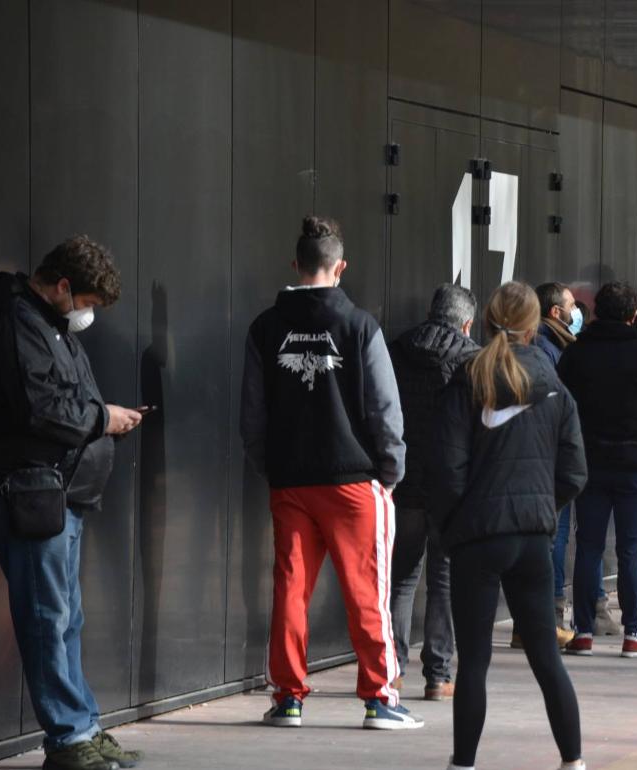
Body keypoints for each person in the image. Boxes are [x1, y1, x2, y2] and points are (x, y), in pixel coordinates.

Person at [240, 217, 420, 729]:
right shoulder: (360, 325)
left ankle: (289, 699)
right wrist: (389, 472)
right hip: (353, 482)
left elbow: (252, 417)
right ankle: (379, 700)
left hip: (291, 483)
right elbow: (386, 409)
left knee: (291, 590)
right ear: (340, 267)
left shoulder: (264, 327)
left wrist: (271, 467)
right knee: (368, 591)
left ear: (295, 265)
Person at [0, 237, 146, 770]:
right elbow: (42, 409)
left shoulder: (47, 325)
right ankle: (69, 739)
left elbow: (69, 403)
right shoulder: (17, 322)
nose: (89, 316)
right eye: (90, 304)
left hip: (57, 493)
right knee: (48, 617)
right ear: (64, 286)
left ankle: (82, 727)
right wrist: (104, 418)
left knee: (65, 616)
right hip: (28, 493)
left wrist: (105, 418)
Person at [430, 282, 587, 770]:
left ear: (490, 320)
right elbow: (575, 471)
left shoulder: (467, 379)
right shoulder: (555, 384)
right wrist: (544, 509)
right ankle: (573, 761)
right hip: (533, 538)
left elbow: (447, 469)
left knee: (474, 661)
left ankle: (464, 763)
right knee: (546, 658)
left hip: (477, 536)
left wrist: (455, 525)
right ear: (534, 325)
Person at [558, 282, 637, 657]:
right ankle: (634, 633)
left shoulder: (575, 355)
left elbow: (564, 410)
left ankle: (582, 632)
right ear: (633, 315)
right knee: (633, 550)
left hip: (589, 466)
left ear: (594, 313)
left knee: (588, 547)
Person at [388, 284, 479, 702]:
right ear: (466, 321)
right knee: (443, 581)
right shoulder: (472, 358)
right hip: (448, 486)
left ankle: (391, 670)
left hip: (404, 481)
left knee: (402, 577)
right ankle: (439, 677)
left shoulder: (397, 348)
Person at [532, 282, 619, 639]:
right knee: (561, 533)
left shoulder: (560, 344)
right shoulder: (547, 347)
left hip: (569, 452)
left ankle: (587, 605)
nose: (576, 311)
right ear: (556, 312)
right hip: (558, 456)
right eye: (571, 305)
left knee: (577, 534)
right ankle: (556, 610)